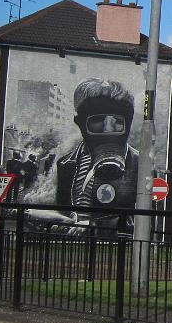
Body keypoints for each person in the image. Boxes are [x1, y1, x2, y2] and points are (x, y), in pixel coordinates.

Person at [53, 78, 139, 235]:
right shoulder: (66, 164)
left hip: (114, 246)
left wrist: (93, 226)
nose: (108, 130)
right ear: (79, 122)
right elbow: (61, 208)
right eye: (98, 120)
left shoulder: (139, 165)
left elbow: (142, 219)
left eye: (117, 122)